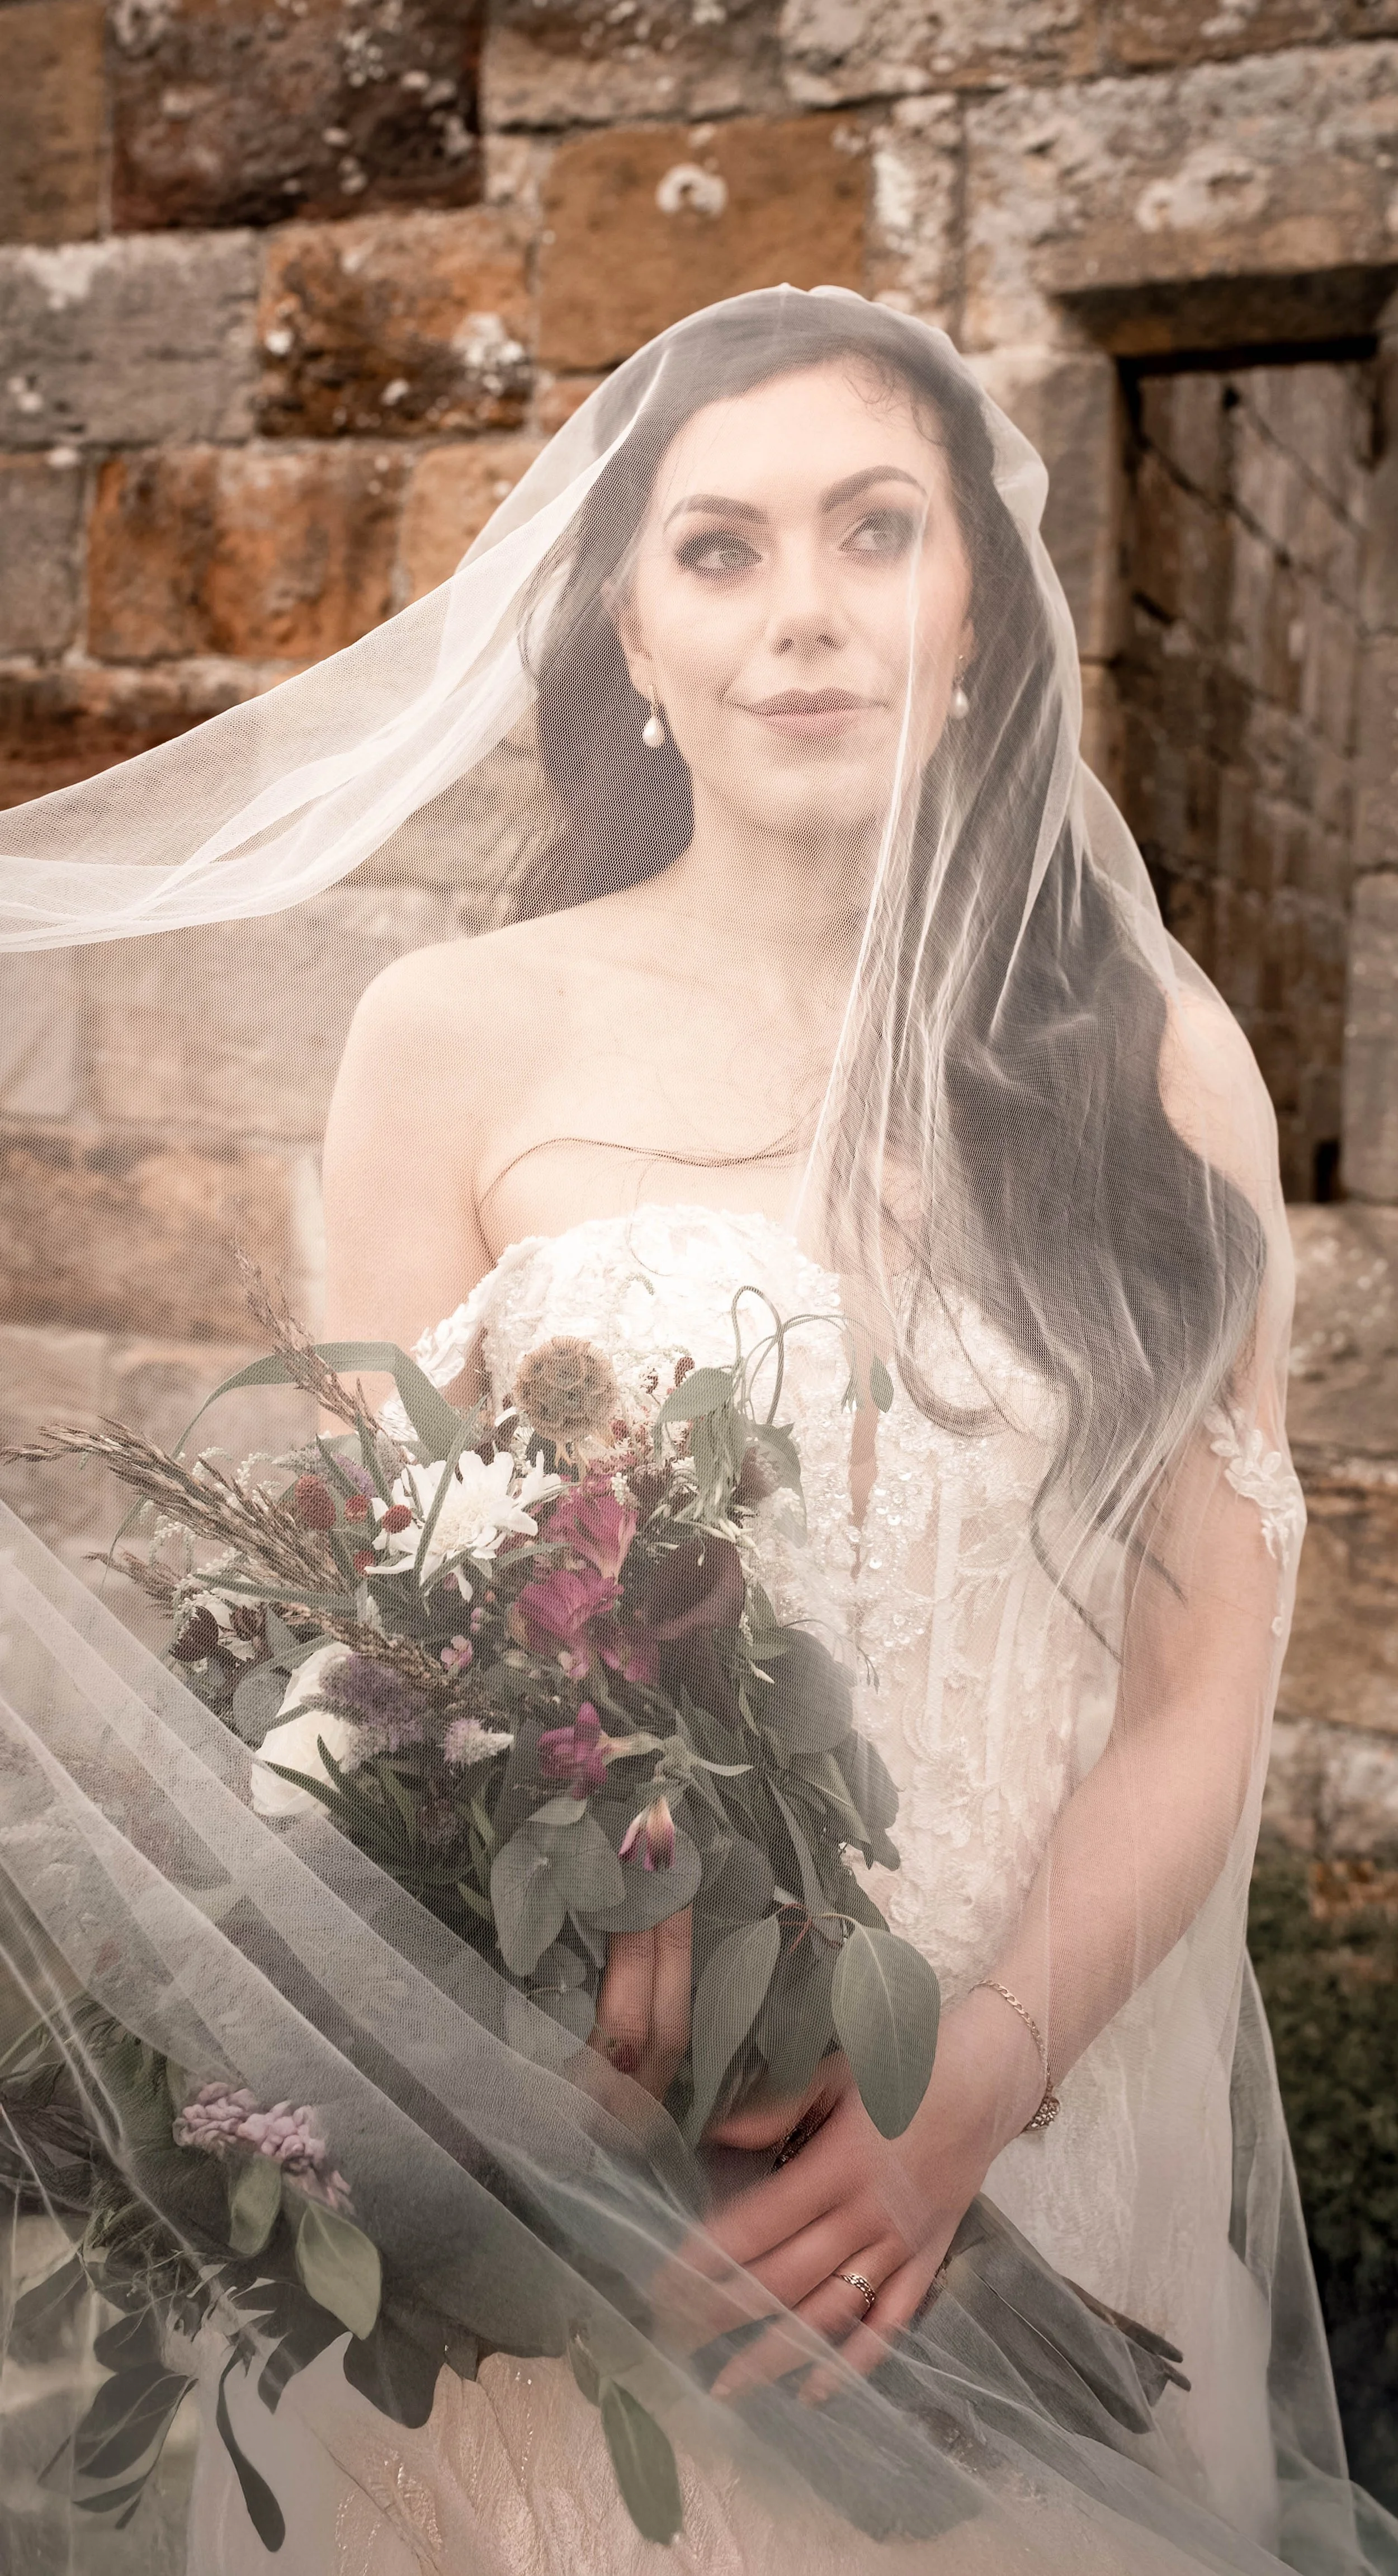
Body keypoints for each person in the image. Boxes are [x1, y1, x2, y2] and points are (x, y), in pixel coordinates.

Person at [0, 289, 1390, 2576]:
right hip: (600, 2148)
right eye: (720, 550)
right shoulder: (447, 1034)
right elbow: (394, 1639)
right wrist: (583, 1950)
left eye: (875, 532)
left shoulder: (1147, 1061)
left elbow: (1197, 1688)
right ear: (628, 630)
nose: (803, 616)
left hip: (1006, 2135)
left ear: (975, 620)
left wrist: (971, 2085)